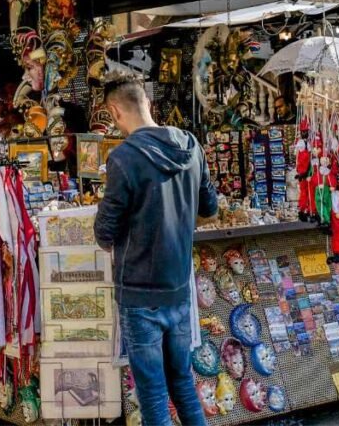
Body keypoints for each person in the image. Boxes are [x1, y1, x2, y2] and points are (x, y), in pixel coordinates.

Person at [94, 72, 218, 426]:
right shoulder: (191, 145)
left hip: (139, 295)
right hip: (179, 290)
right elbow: (209, 209)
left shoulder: (123, 158)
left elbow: (105, 232)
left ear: (115, 112)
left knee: (153, 396)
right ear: (147, 102)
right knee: (183, 385)